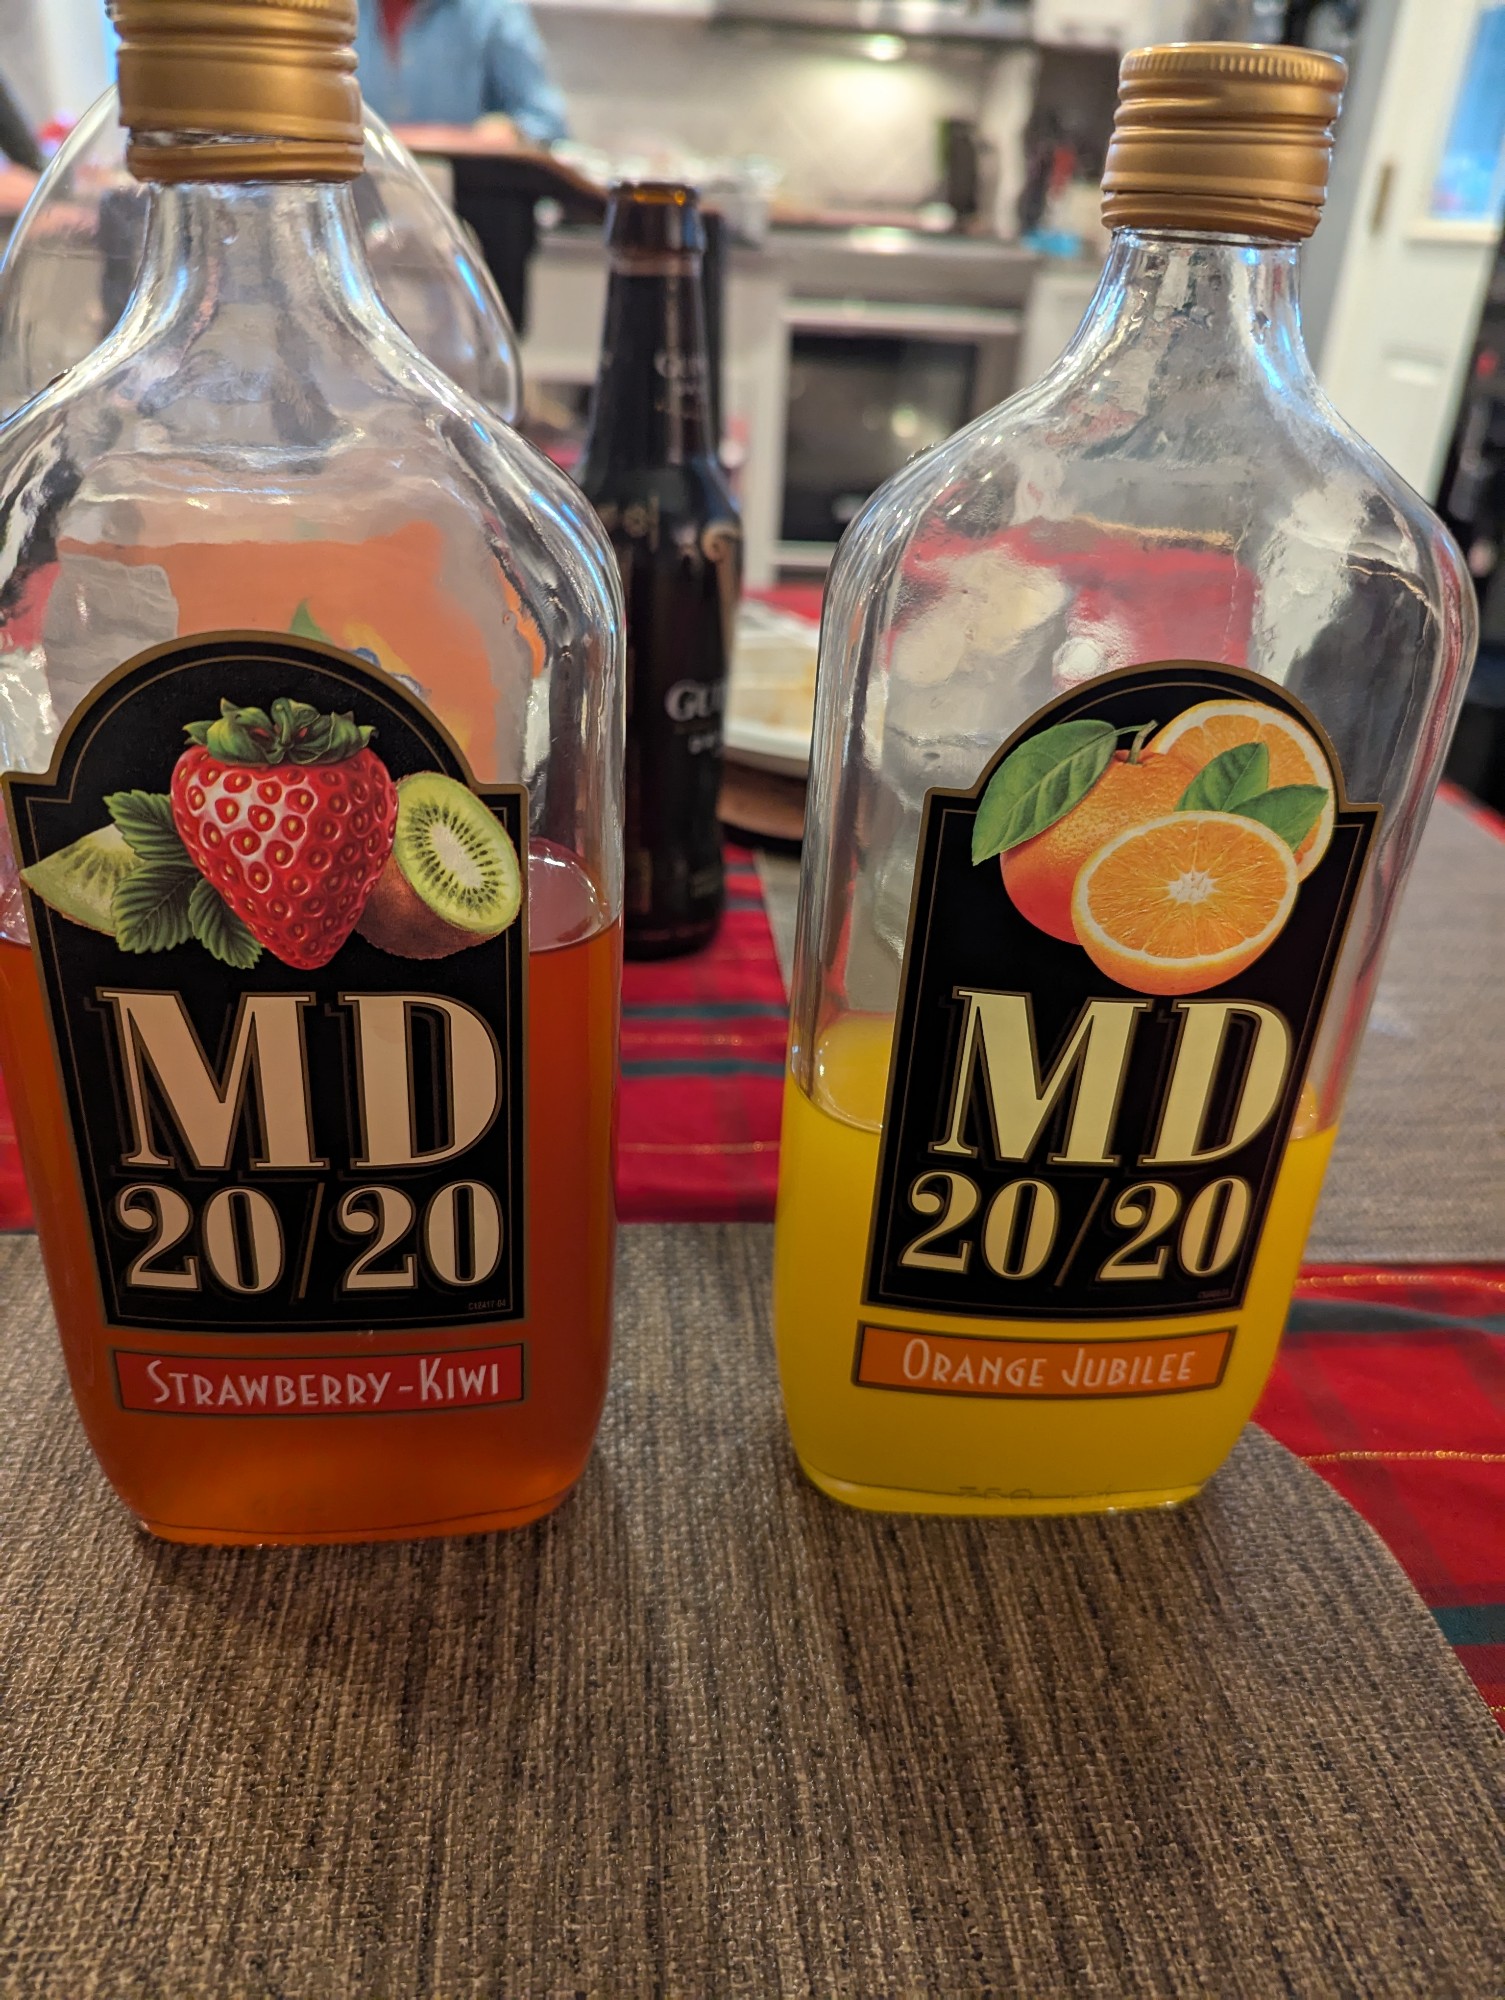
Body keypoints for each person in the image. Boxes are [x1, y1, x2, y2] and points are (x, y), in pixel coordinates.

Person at [355, 0, 570, 147]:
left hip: (468, 193)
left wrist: (505, 134)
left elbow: (546, 122)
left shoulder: (492, 10)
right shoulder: (342, 8)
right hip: (355, 190)